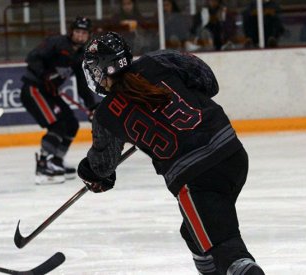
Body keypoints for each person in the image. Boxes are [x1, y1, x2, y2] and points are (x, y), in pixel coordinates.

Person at [79, 32, 265, 275]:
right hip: (232, 153)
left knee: (226, 251)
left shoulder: (107, 114)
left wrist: (90, 172)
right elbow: (209, 82)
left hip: (197, 178)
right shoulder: (158, 61)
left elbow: (102, 166)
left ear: (102, 69)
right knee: (193, 234)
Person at [20, 16, 97, 185]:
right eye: (77, 31)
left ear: (88, 35)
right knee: (58, 125)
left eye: (84, 33)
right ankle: (43, 166)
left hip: (49, 92)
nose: (80, 35)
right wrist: (44, 75)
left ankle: (56, 161)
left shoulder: (80, 56)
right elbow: (32, 57)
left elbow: (82, 84)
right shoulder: (56, 43)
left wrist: (92, 106)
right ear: (71, 32)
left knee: (71, 123)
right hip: (34, 89)